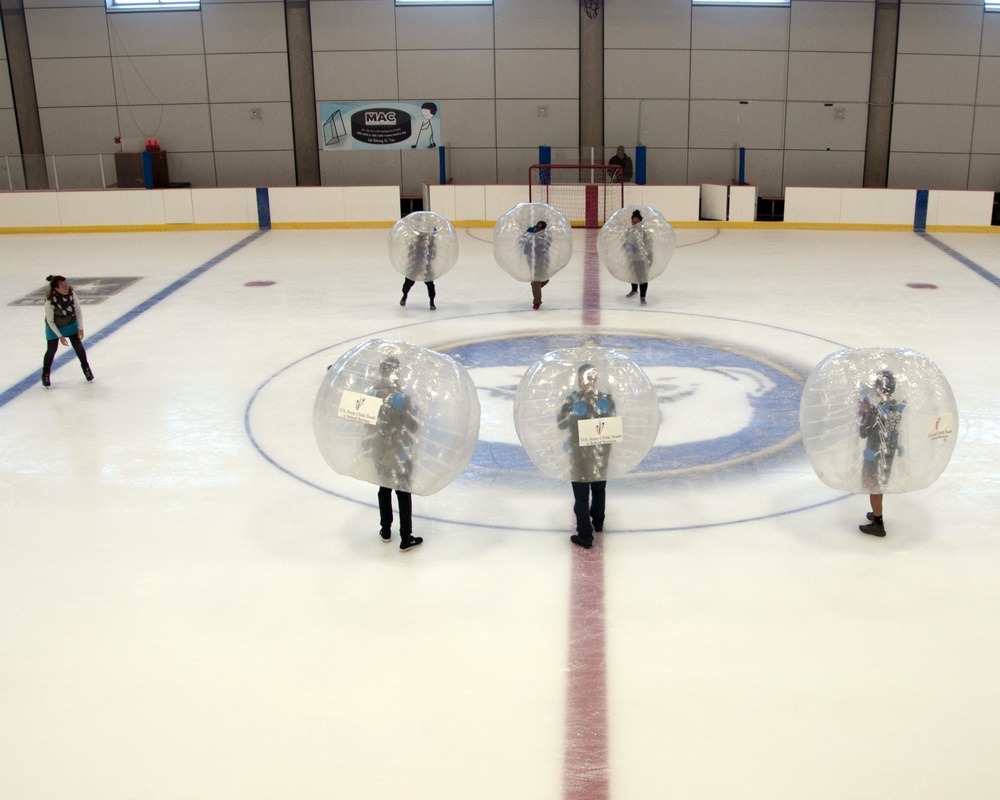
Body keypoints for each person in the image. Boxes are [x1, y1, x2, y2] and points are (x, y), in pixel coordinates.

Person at [364, 356, 423, 550]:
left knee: (384, 487)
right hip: (401, 450)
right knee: (403, 492)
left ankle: (386, 529)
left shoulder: (372, 393)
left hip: (379, 449)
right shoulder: (402, 396)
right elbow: (412, 426)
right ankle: (406, 536)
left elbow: (367, 424)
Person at [557, 364, 617, 549]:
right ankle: (598, 523)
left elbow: (561, 423)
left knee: (582, 498)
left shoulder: (574, 399)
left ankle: (585, 536)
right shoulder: (606, 399)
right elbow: (614, 421)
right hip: (601, 454)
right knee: (599, 490)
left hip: (580, 456)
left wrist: (570, 409)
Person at [857, 370, 904, 537]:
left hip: (874, 454)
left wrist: (863, 412)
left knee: (873, 487)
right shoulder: (895, 406)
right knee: (879, 484)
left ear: (880, 387)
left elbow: (863, 432)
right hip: (887, 453)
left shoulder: (875, 410)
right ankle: (877, 514)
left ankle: (878, 522)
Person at [41, 274, 93, 387]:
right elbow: (50, 321)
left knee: (78, 346)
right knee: (51, 350)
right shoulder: (50, 301)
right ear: (56, 288)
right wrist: (59, 336)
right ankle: (45, 374)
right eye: (63, 286)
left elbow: (78, 311)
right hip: (54, 327)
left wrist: (80, 328)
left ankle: (86, 369)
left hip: (70, 323)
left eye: (67, 285)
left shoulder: (71, 294)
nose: (66, 288)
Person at [400, 230, 436, 309]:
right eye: (422, 241)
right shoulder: (414, 248)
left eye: (425, 241)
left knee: (430, 285)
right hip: (415, 266)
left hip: (427, 267)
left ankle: (432, 302)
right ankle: (405, 295)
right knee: (408, 283)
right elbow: (410, 255)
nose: (424, 243)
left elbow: (433, 255)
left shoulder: (429, 248)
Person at [623, 209, 652, 305]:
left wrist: (644, 253)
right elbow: (625, 242)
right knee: (633, 274)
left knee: (642, 277)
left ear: (640, 221)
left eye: (637, 222)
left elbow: (648, 244)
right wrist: (627, 247)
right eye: (633, 222)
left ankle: (643, 296)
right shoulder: (629, 231)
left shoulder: (644, 232)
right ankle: (634, 289)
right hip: (632, 257)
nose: (634, 224)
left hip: (642, 258)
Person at [523, 219, 550, 310]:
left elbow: (548, 244)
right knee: (535, 282)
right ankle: (537, 301)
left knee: (545, 278)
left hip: (543, 262)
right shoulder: (530, 235)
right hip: (533, 263)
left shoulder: (546, 236)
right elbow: (526, 250)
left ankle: (541, 283)